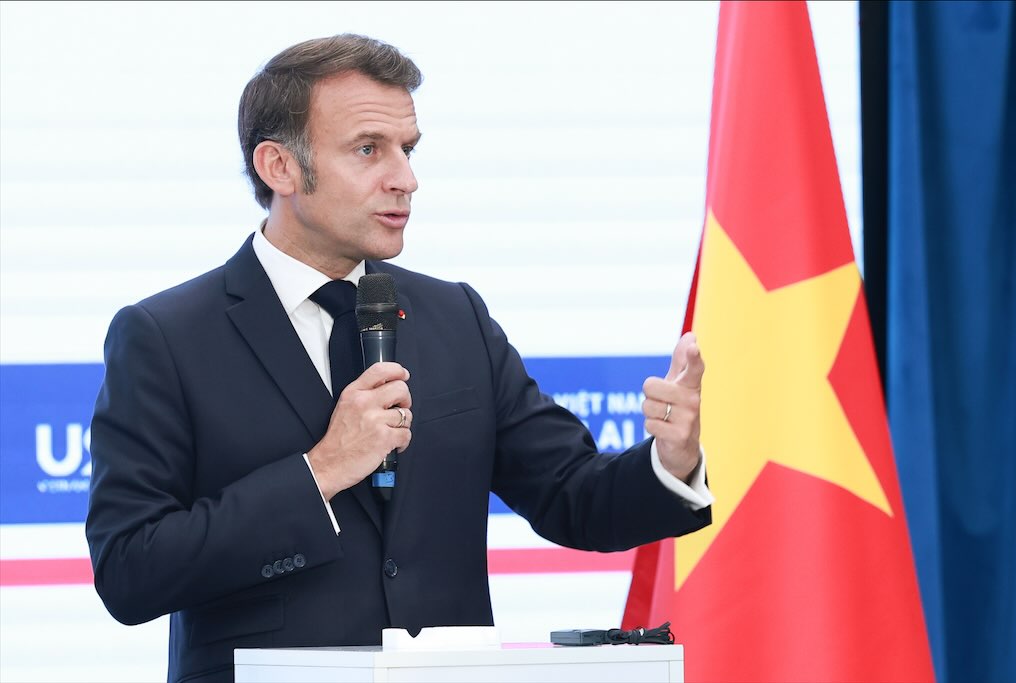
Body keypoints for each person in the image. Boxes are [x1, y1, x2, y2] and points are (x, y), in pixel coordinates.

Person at [85, 34, 713, 683]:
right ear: (279, 167)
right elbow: (132, 570)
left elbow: (575, 497)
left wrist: (672, 460)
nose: (405, 178)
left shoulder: (456, 318)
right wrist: (321, 470)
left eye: (407, 150)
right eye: (368, 149)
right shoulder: (166, 336)